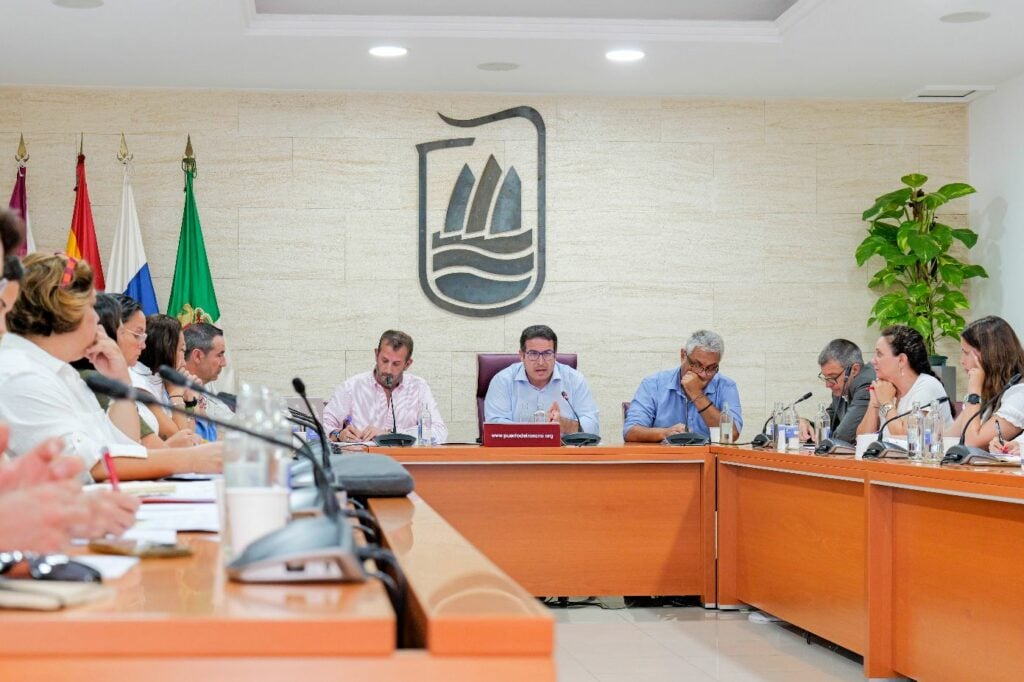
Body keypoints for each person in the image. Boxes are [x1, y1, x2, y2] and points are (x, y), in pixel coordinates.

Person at [0, 252, 221, 481]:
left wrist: (120, 381)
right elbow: (86, 465)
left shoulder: (64, 374)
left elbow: (126, 446)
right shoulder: (21, 374)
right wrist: (192, 459)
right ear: (62, 314)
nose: (97, 319)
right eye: (90, 307)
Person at [324, 330, 448, 443]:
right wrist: (338, 434)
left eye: (396, 364)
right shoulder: (351, 387)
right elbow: (321, 427)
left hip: (406, 460)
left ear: (407, 364)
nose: (388, 370)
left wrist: (391, 435)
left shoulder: (419, 387)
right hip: (363, 459)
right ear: (376, 355)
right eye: (384, 361)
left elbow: (439, 432)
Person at [624, 330, 741, 442]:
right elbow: (630, 431)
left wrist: (697, 394)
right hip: (666, 454)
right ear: (683, 355)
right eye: (697, 365)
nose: (703, 374)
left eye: (711, 368)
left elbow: (732, 434)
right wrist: (665, 433)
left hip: (709, 456)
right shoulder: (653, 384)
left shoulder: (726, 386)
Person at [484, 324, 599, 435]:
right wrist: (536, 432)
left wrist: (564, 424)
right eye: (533, 354)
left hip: (563, 448)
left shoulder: (574, 380)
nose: (541, 362)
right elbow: (494, 427)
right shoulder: (503, 381)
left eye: (547, 354)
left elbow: (593, 427)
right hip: (517, 448)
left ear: (555, 355)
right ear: (522, 355)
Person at [856, 325, 953, 438]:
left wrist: (887, 402)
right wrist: (874, 403)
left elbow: (906, 439)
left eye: (879, 354)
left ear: (901, 360)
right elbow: (862, 438)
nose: (873, 361)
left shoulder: (927, 386)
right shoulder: (887, 387)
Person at [944, 316, 1024, 449]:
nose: (961, 361)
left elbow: (972, 443)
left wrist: (974, 391)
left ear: (988, 355)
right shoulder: (991, 389)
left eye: (966, 353)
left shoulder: (1020, 394)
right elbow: (950, 436)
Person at [133, 314, 206, 441]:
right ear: (166, 348)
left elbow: (190, 435)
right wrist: (176, 393)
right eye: (182, 350)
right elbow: (181, 440)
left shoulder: (159, 378)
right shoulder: (139, 384)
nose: (184, 362)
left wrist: (189, 400)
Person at [798, 339, 875, 443]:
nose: (828, 385)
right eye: (826, 378)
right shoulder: (841, 385)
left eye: (832, 377)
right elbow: (830, 422)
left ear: (855, 370)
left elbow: (844, 436)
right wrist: (807, 425)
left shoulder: (865, 382)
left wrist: (819, 437)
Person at [183, 322, 232, 440]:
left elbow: (228, 418)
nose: (224, 363)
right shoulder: (176, 393)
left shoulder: (206, 384)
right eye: (219, 355)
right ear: (197, 356)